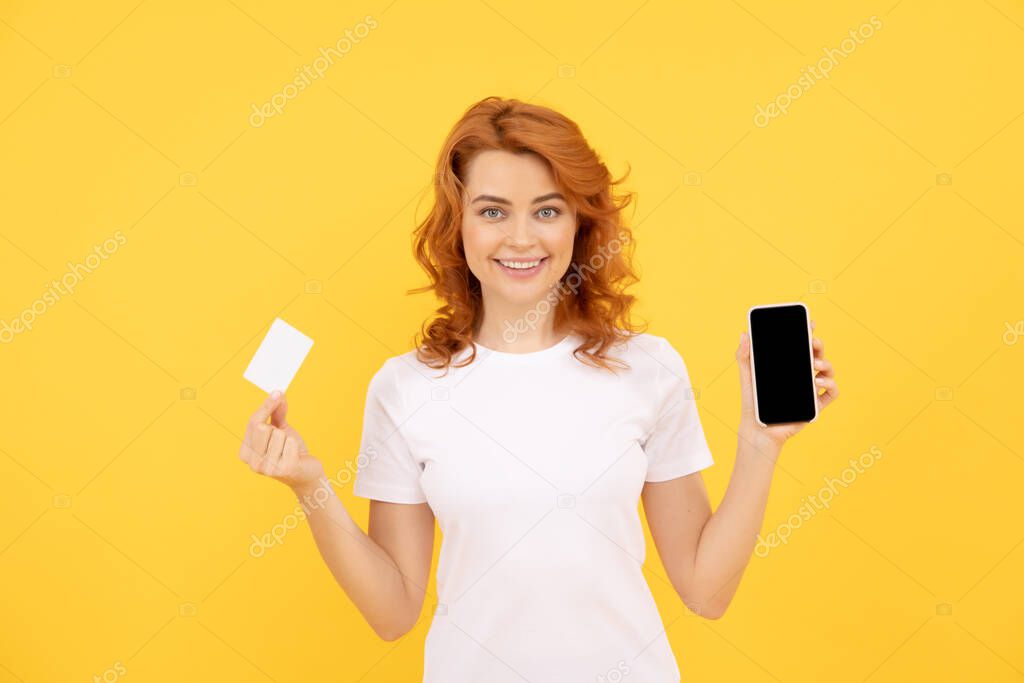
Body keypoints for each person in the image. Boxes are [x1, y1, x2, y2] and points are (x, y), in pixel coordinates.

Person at [236, 96, 838, 681]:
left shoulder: (647, 369)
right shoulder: (406, 387)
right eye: (493, 211)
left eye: (547, 210)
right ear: (459, 224)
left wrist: (762, 442)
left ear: (580, 224)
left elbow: (707, 592)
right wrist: (309, 486)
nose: (521, 238)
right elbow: (393, 613)